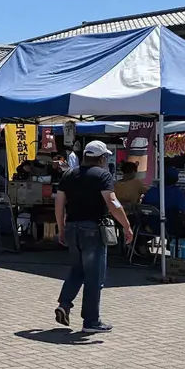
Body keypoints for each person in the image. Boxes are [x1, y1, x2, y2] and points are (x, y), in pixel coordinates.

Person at [52, 140, 133, 335]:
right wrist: (126, 226)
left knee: (77, 269)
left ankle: (64, 304)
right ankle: (91, 321)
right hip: (93, 229)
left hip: (72, 227)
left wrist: (61, 228)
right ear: (102, 158)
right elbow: (112, 203)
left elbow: (59, 204)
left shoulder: (68, 175)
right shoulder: (103, 175)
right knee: (94, 276)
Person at [142, 167, 185, 237]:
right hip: (169, 227)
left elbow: (143, 206)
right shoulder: (177, 193)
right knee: (183, 232)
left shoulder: (151, 191)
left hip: (148, 227)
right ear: (176, 180)